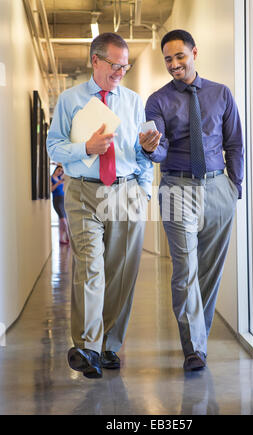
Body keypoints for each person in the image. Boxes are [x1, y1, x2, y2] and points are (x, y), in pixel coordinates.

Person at [47, 33, 155, 379]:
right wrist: (86, 149)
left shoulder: (134, 101)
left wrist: (144, 190)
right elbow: (54, 147)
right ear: (95, 60)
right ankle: (88, 348)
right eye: (115, 65)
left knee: (121, 273)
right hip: (82, 192)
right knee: (90, 268)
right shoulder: (70, 99)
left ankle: (109, 345)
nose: (121, 71)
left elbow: (140, 155)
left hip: (125, 193)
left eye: (125, 66)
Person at [139, 29, 244, 371]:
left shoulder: (221, 94)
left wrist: (235, 187)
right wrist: (151, 147)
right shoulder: (157, 100)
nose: (174, 64)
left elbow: (235, 144)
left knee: (208, 274)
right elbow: (160, 148)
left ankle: (198, 338)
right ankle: (194, 350)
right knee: (185, 269)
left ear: (194, 53)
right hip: (175, 187)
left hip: (218, 189)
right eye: (168, 59)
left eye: (179, 56)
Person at [51, 164, 69, 245]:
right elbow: (51, 189)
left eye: (61, 171)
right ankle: (68, 236)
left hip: (63, 200)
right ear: (55, 169)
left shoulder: (60, 178)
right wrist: (58, 183)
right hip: (57, 201)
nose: (60, 172)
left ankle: (62, 239)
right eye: (59, 170)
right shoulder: (51, 178)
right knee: (64, 221)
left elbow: (66, 170)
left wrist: (60, 166)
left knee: (62, 223)